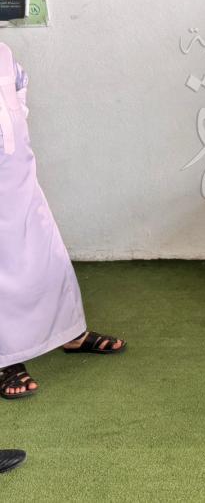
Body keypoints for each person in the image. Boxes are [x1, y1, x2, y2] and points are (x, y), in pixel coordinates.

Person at [0, 43, 126, 400]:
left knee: (45, 253)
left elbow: (19, 89)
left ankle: (68, 332)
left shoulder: (3, 52)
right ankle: (5, 359)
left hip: (18, 172)